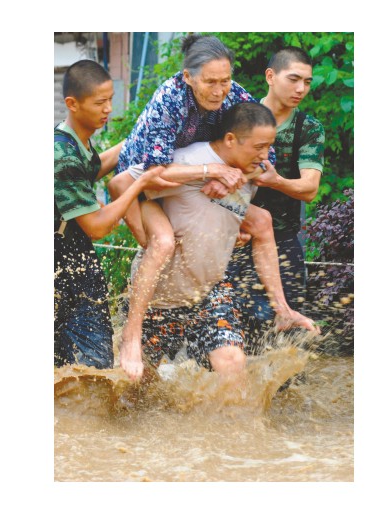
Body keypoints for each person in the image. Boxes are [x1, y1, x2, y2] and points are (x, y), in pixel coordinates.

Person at [108, 34, 277, 378]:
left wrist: (236, 179)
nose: (219, 90)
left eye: (225, 80)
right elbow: (153, 171)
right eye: (210, 82)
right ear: (188, 76)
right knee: (163, 243)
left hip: (191, 182)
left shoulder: (235, 93)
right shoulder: (169, 98)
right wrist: (210, 170)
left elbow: (264, 154)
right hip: (142, 185)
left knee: (258, 221)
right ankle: (131, 336)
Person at [117, 102, 318, 381]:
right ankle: (131, 334)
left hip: (207, 292)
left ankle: (233, 426)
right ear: (231, 140)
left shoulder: (249, 168)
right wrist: (147, 238)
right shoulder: (188, 161)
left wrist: (282, 309)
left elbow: (252, 213)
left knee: (232, 363)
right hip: (157, 296)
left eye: (269, 146)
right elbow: (122, 184)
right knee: (137, 388)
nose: (265, 154)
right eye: (259, 147)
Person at [54, 59, 164, 369]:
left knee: (71, 369)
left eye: (110, 100)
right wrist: (139, 181)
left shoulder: (75, 143)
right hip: (63, 266)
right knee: (93, 370)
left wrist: (137, 141)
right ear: (72, 104)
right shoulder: (61, 156)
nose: (108, 109)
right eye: (100, 102)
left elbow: (91, 168)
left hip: (74, 262)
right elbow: (97, 227)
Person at [224, 47, 325, 352]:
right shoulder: (240, 117)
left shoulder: (307, 128)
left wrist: (276, 181)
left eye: (307, 82)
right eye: (294, 79)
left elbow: (310, 188)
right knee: (231, 337)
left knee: (287, 345)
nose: (301, 89)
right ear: (270, 76)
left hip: (282, 244)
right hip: (234, 241)